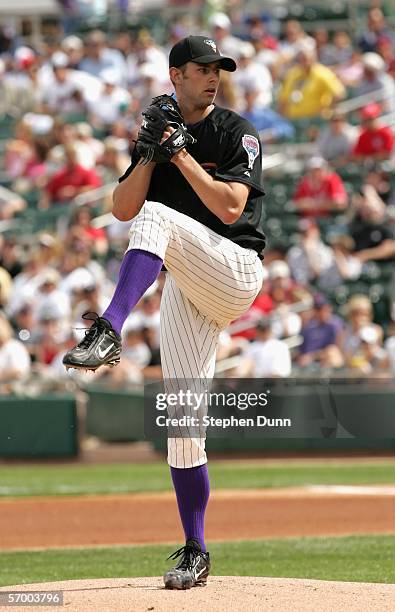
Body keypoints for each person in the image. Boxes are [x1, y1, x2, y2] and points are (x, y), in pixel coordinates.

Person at [63, 36, 265, 589]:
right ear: (175, 75)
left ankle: (108, 330)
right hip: (187, 282)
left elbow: (230, 205)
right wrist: (151, 153)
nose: (212, 77)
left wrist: (179, 153)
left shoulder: (235, 130)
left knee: (158, 215)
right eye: (201, 68)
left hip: (236, 268)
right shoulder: (160, 132)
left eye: (217, 69)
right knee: (182, 424)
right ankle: (195, 551)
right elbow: (122, 208)